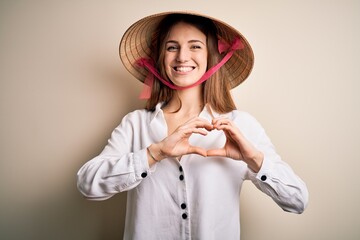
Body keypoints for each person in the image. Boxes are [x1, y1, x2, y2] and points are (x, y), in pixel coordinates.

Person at [77, 11, 308, 240]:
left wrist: (255, 160)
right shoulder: (135, 124)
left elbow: (297, 201)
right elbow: (87, 185)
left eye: (195, 46)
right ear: (160, 58)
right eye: (172, 47)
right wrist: (154, 153)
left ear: (211, 56)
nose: (182, 57)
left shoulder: (240, 126)